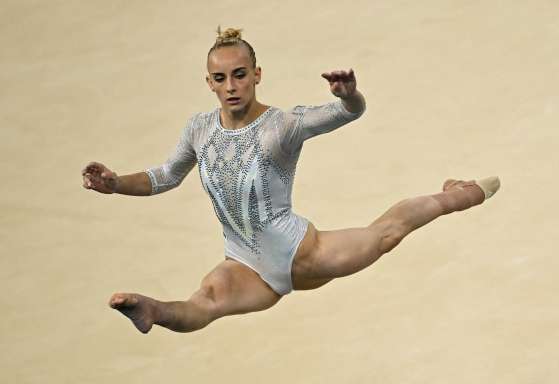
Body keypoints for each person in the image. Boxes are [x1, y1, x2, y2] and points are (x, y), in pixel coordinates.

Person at [81, 27, 500, 334]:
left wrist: (347, 95)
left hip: (303, 253)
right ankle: (151, 309)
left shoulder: (280, 126)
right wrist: (116, 183)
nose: (231, 86)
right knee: (203, 303)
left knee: (388, 233)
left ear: (257, 74)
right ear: (208, 82)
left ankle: (460, 195)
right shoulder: (198, 129)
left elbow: (349, 113)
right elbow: (165, 176)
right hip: (244, 263)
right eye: (221, 78)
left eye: (240, 74)